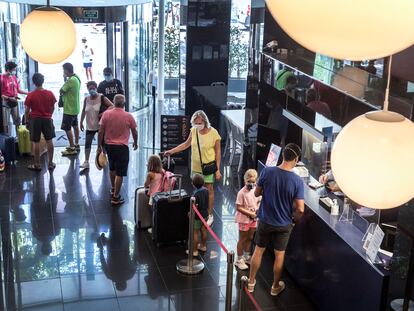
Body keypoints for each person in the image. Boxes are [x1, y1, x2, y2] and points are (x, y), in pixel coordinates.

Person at [248, 143, 305, 296]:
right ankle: (274, 287)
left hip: (265, 220)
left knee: (258, 250)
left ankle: (251, 282)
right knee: (279, 255)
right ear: (296, 159)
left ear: (282, 155)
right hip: (284, 223)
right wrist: (294, 220)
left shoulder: (267, 172)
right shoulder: (297, 181)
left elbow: (256, 194)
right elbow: (300, 208)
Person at [165, 110, 221, 226]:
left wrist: (217, 170)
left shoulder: (214, 133)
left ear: (205, 122)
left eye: (199, 123)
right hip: (195, 167)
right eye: (195, 123)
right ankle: (197, 212)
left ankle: (210, 214)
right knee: (196, 191)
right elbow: (186, 144)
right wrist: (171, 151)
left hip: (208, 167)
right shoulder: (194, 131)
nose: (197, 125)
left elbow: (218, 152)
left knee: (209, 190)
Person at [98, 94, 138, 205]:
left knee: (112, 168)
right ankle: (116, 197)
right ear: (124, 104)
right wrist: (135, 142)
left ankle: (113, 188)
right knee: (120, 173)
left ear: (114, 103)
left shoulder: (106, 114)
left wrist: (100, 146)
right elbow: (134, 131)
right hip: (122, 147)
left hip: (109, 146)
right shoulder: (128, 116)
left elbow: (100, 131)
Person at [24, 73, 56, 171]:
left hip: (35, 120)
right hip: (47, 119)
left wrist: (26, 121)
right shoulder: (50, 93)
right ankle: (50, 163)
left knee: (36, 142)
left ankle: (37, 164)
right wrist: (49, 115)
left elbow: (27, 110)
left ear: (34, 82)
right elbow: (53, 107)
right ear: (43, 81)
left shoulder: (31, 95)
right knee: (49, 141)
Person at [79, 81, 113, 169]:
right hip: (90, 126)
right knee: (87, 143)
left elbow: (112, 106)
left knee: (103, 143)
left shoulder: (102, 97)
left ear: (96, 88)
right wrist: (81, 122)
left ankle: (104, 158)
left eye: (93, 88)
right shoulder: (86, 99)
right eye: (90, 89)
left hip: (100, 125)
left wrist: (103, 113)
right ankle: (86, 161)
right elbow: (83, 110)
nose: (91, 90)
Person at [235, 169, 261, 271]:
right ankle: (239, 259)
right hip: (244, 219)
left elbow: (259, 201)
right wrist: (250, 213)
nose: (251, 184)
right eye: (249, 181)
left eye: (253, 182)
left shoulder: (256, 191)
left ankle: (246, 256)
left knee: (250, 237)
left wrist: (256, 210)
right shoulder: (241, 193)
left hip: (254, 218)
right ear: (245, 180)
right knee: (243, 238)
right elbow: (238, 207)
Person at [1, 61, 28, 134]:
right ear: (8, 69)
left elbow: (18, 90)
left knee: (17, 121)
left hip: (14, 100)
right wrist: (9, 98)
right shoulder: (1, 78)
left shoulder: (14, 77)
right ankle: (7, 139)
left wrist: (28, 93)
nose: (15, 71)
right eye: (14, 70)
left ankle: (18, 138)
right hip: (5, 102)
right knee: (5, 122)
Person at [60, 63, 81, 156]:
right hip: (75, 107)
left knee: (67, 128)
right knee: (75, 125)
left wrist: (65, 79)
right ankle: (76, 144)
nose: (63, 72)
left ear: (66, 70)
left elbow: (62, 90)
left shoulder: (70, 80)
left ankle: (72, 148)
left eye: (63, 70)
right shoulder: (77, 78)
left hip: (69, 109)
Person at [186, 173, 209, 256]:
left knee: (195, 232)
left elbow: (194, 207)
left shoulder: (195, 194)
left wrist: (190, 213)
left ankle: (194, 251)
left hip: (197, 216)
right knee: (203, 230)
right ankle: (203, 246)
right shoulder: (206, 190)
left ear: (193, 184)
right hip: (205, 214)